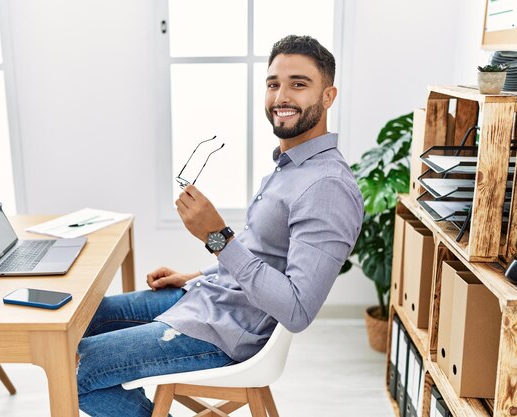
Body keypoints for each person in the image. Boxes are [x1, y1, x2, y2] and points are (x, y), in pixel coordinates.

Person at [76, 34, 364, 416]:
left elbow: (297, 310)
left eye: (299, 84)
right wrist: (196, 274)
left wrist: (217, 237)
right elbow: (263, 252)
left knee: (79, 374)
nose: (282, 96)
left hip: (232, 332)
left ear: (328, 96)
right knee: (80, 322)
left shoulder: (327, 187)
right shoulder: (291, 166)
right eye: (274, 84)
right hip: (210, 298)